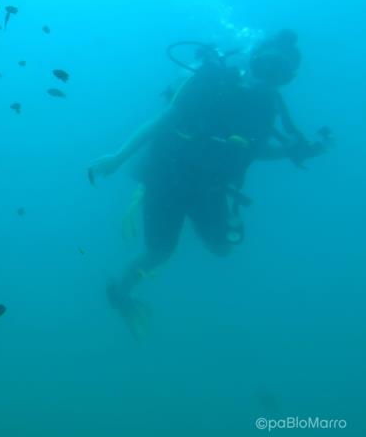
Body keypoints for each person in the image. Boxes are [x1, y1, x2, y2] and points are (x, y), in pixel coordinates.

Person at [89, 30, 329, 338]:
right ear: (253, 60)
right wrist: (117, 158)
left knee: (222, 250)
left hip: (211, 186)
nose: (268, 78)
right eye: (265, 66)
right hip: (167, 178)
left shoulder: (268, 105)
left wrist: (289, 152)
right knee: (159, 251)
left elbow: (254, 152)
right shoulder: (213, 81)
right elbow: (162, 121)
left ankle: (128, 289)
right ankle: (120, 294)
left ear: (287, 78)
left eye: (279, 73)